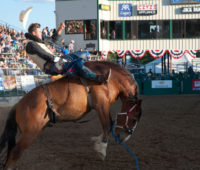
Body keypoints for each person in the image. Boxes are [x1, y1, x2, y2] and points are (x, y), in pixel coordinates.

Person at [25, 23, 110, 83]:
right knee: (77, 63)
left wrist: (60, 29)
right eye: (39, 31)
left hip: (56, 61)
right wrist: (58, 59)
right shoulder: (30, 44)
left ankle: (79, 71)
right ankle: (95, 77)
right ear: (34, 33)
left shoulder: (40, 41)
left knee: (83, 54)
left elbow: (52, 39)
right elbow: (44, 54)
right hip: (51, 66)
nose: (41, 32)